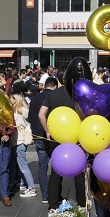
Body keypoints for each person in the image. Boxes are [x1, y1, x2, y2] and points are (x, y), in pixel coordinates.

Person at [38, 77, 86, 210]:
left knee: (56, 171)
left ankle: (52, 204)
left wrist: (47, 131)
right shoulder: (78, 93)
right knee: (79, 170)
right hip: (76, 135)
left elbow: (41, 115)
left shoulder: (52, 94)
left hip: (57, 136)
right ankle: (82, 202)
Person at [10, 92, 37, 198]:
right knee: (20, 164)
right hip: (19, 140)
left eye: (11, 98)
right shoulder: (20, 110)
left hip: (20, 140)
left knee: (23, 165)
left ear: (15, 99)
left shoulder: (20, 111)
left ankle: (31, 187)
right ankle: (24, 183)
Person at [28, 84, 49, 203]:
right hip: (51, 136)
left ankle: (45, 194)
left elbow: (31, 118)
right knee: (56, 166)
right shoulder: (53, 97)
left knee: (42, 167)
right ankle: (55, 193)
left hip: (38, 136)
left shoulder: (35, 99)